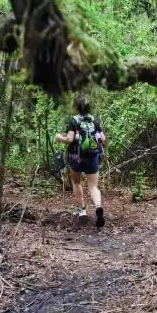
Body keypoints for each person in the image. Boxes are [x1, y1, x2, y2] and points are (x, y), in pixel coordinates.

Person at [54, 96, 106, 227]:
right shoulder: (95, 120)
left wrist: (59, 137)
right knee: (93, 186)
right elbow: (103, 139)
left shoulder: (74, 120)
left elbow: (70, 139)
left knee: (76, 182)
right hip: (92, 157)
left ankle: (82, 211)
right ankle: (98, 207)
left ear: (76, 107)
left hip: (75, 157)